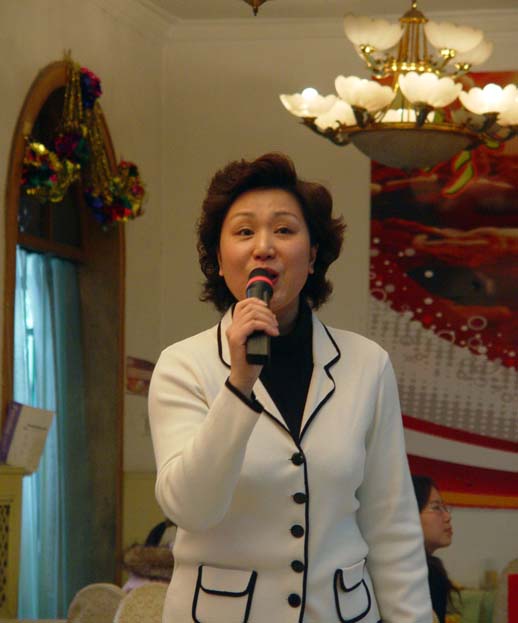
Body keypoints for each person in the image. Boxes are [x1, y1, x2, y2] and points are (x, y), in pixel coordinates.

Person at [148, 152, 433, 622]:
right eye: (244, 232)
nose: (264, 247)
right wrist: (239, 385)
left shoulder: (367, 365)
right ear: (219, 259)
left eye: (284, 230)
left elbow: (392, 526)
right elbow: (191, 509)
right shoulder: (184, 366)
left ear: (314, 254)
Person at [412, 475, 458, 623]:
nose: (447, 516)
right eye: (436, 508)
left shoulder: (430, 569)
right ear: (410, 515)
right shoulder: (422, 574)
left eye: (445, 508)